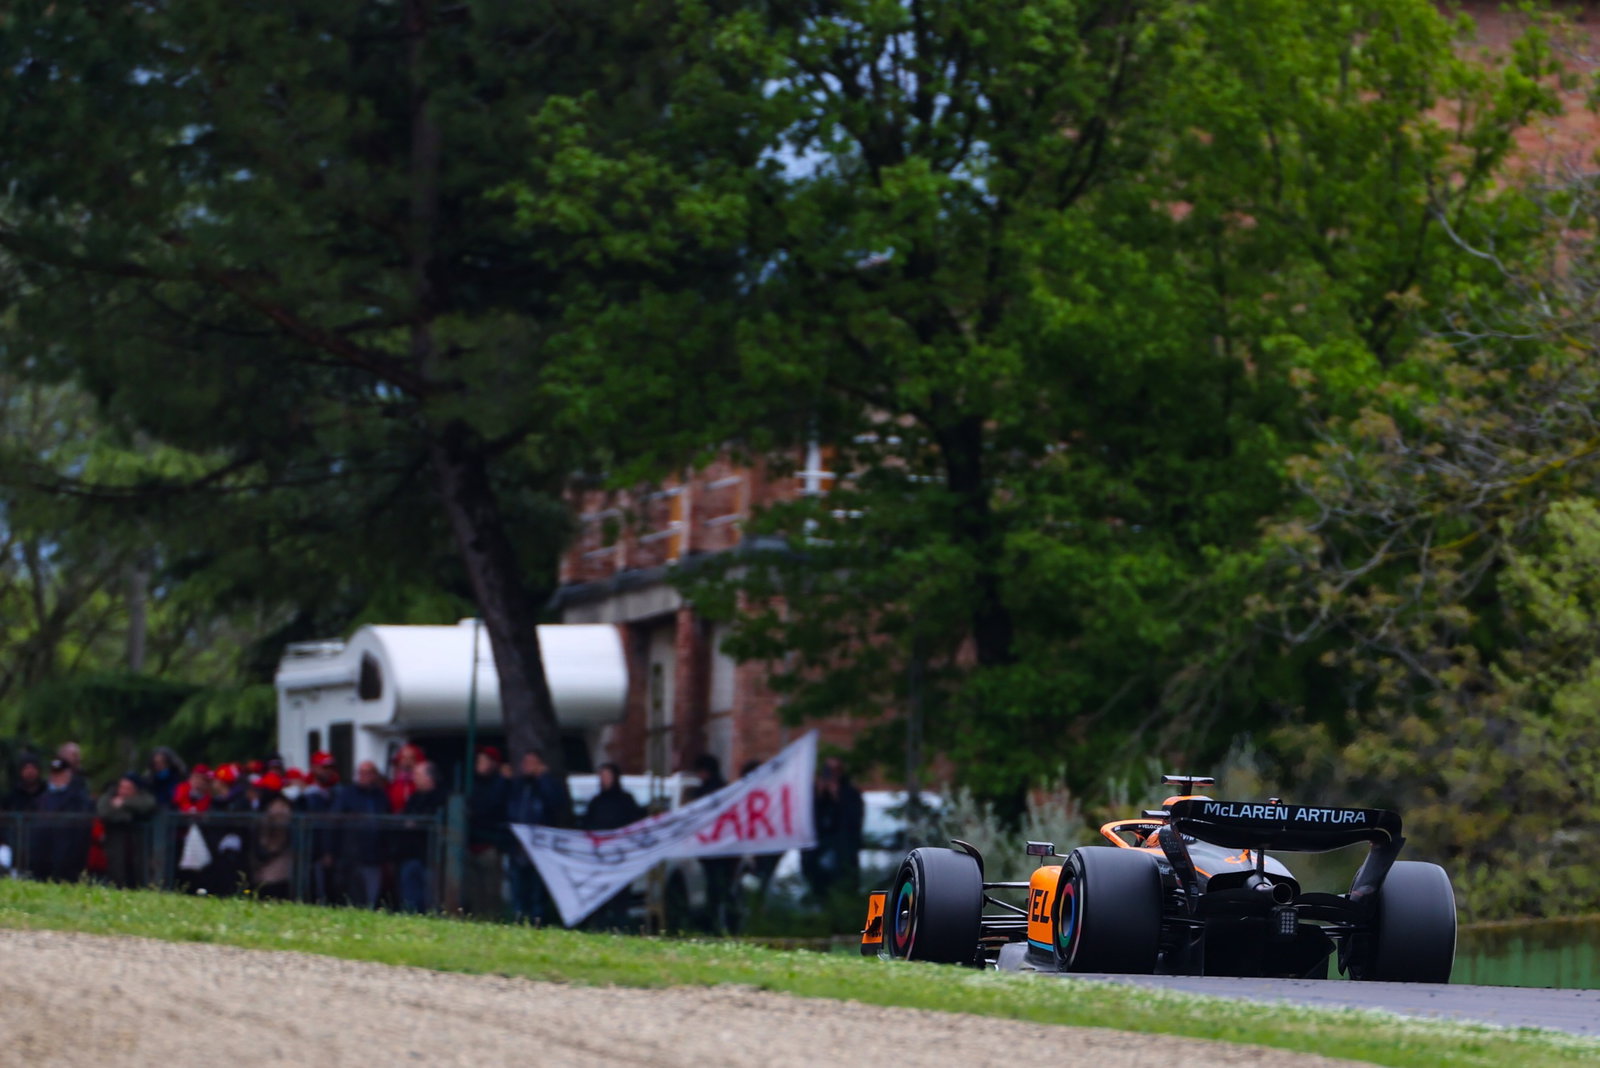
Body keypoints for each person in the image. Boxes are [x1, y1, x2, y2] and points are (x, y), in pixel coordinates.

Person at [506, 748, 569, 924]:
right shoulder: (519, 786)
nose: (527, 767)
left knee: (537, 890)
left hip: (540, 848)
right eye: (525, 763)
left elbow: (556, 804)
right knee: (519, 889)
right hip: (519, 847)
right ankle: (519, 919)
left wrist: (544, 779)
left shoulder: (547, 784)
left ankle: (537, 921)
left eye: (531, 763)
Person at [581, 763, 644, 929]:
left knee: (620, 896)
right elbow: (586, 826)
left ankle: (620, 925)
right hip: (600, 859)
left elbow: (634, 825)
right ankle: (600, 925)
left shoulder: (626, 800)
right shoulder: (596, 802)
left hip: (620, 858)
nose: (604, 780)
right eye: (602, 776)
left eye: (607, 776)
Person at [802, 756, 865, 901]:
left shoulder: (851, 794)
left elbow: (852, 821)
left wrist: (837, 796)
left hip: (843, 854)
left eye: (834, 771)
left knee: (844, 891)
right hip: (816, 854)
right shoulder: (814, 794)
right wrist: (819, 795)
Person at [328, 760, 389, 908]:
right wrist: (330, 850)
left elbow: (386, 823)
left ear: (375, 775)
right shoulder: (347, 794)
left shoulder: (380, 796)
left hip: (374, 855)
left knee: (371, 894)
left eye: (368, 773)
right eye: (361, 773)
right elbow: (333, 821)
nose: (364, 777)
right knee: (351, 894)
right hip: (351, 855)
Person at [686, 753, 736, 932]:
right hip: (726, 851)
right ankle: (725, 923)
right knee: (724, 890)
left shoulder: (704, 793)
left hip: (711, 852)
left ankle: (716, 923)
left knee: (714, 889)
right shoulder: (725, 790)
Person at [395, 761, 446, 913]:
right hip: (411, 855)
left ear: (429, 778)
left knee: (431, 899)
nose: (413, 778)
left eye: (417, 775)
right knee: (410, 899)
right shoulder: (413, 798)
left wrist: (416, 823)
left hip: (432, 859)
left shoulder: (441, 798)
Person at [465, 745, 509, 919]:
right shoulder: (475, 784)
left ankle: (492, 919)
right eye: (478, 761)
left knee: (491, 890)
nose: (479, 764)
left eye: (483, 761)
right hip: (473, 843)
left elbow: (491, 809)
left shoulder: (500, 785)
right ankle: (477, 918)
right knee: (474, 890)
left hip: (490, 844)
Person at [33, 757, 93, 882]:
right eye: (54, 774)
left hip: (68, 852)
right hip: (45, 851)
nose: (57, 778)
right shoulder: (43, 797)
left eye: (60, 774)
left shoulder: (78, 797)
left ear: (68, 775)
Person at [96, 774, 157, 888]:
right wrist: (127, 816)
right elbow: (105, 812)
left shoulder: (142, 798)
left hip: (138, 850)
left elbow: (147, 804)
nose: (123, 791)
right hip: (115, 848)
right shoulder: (109, 796)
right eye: (122, 787)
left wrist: (124, 803)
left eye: (128, 788)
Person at [387, 743, 425, 813]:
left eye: (411, 758)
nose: (407, 761)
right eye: (403, 758)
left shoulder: (422, 784)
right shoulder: (391, 785)